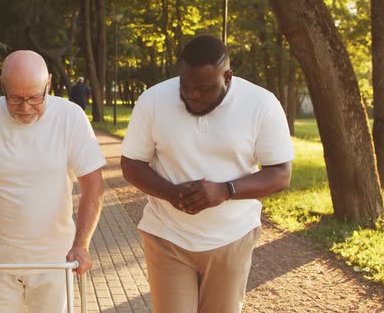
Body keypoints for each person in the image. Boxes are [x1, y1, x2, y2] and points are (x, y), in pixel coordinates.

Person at [121, 34, 294, 313]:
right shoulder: (152, 100)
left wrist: (225, 191)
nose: (193, 94)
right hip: (168, 236)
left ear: (227, 77)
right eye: (186, 85)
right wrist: (170, 193)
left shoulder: (262, 104)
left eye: (204, 88)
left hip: (231, 238)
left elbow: (280, 174)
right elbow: (131, 163)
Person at [0, 50, 105, 312]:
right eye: (16, 98)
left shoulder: (71, 117)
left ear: (49, 84)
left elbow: (94, 187)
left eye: (34, 97)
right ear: (2, 86)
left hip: (55, 260)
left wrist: (81, 245)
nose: (25, 107)